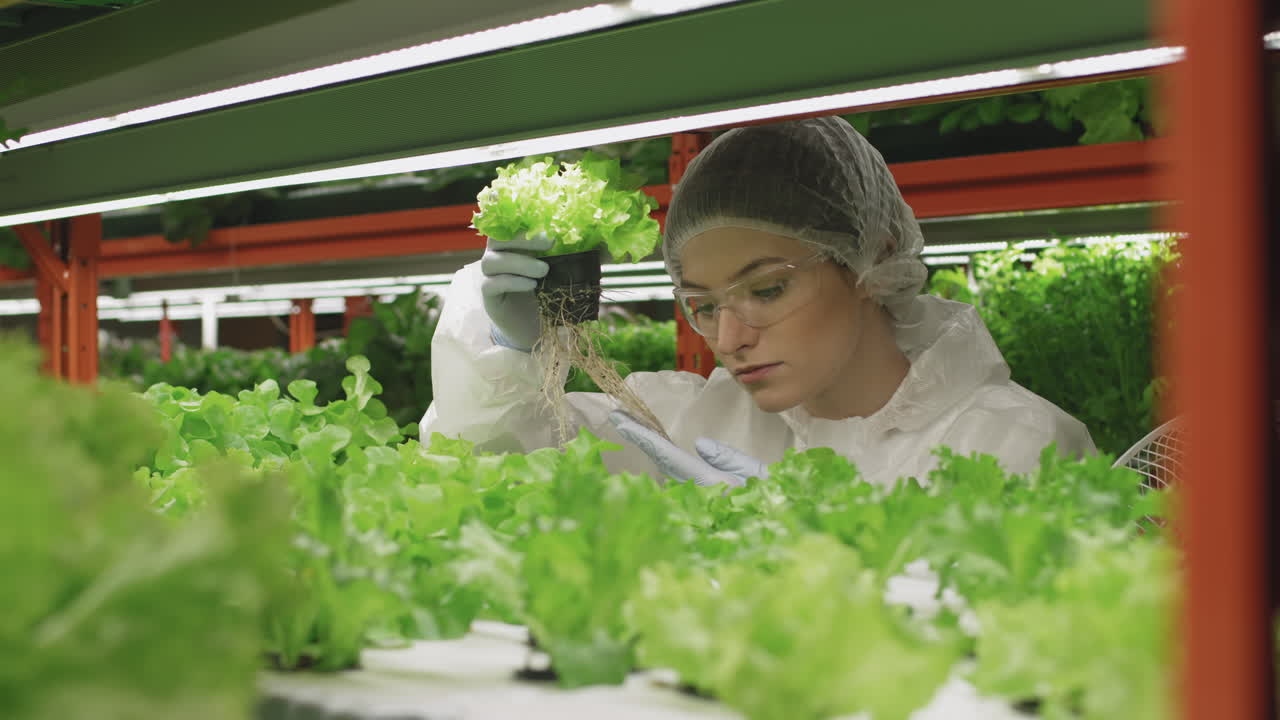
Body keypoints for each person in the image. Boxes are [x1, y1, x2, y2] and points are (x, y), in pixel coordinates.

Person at [420, 116, 1095, 489]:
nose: (730, 336)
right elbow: (496, 464)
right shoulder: (686, 426)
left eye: (767, 289)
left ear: (874, 256)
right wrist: (508, 352)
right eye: (702, 304)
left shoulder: (1016, 445)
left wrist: (796, 531)